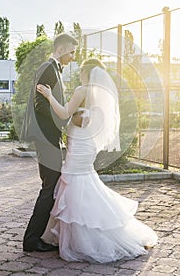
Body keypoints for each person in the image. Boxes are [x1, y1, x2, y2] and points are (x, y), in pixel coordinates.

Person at [37, 58, 158, 263]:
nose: (80, 75)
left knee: (75, 182)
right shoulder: (103, 95)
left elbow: (65, 113)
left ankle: (82, 241)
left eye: (81, 71)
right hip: (88, 147)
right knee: (82, 180)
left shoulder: (82, 91)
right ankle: (85, 232)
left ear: (86, 72)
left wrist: (49, 96)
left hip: (79, 147)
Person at [22, 33, 78, 252]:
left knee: (51, 187)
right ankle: (32, 240)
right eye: (72, 52)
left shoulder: (53, 68)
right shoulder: (48, 67)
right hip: (46, 137)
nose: (73, 57)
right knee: (49, 188)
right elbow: (40, 105)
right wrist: (62, 120)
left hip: (49, 137)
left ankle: (38, 237)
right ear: (61, 50)